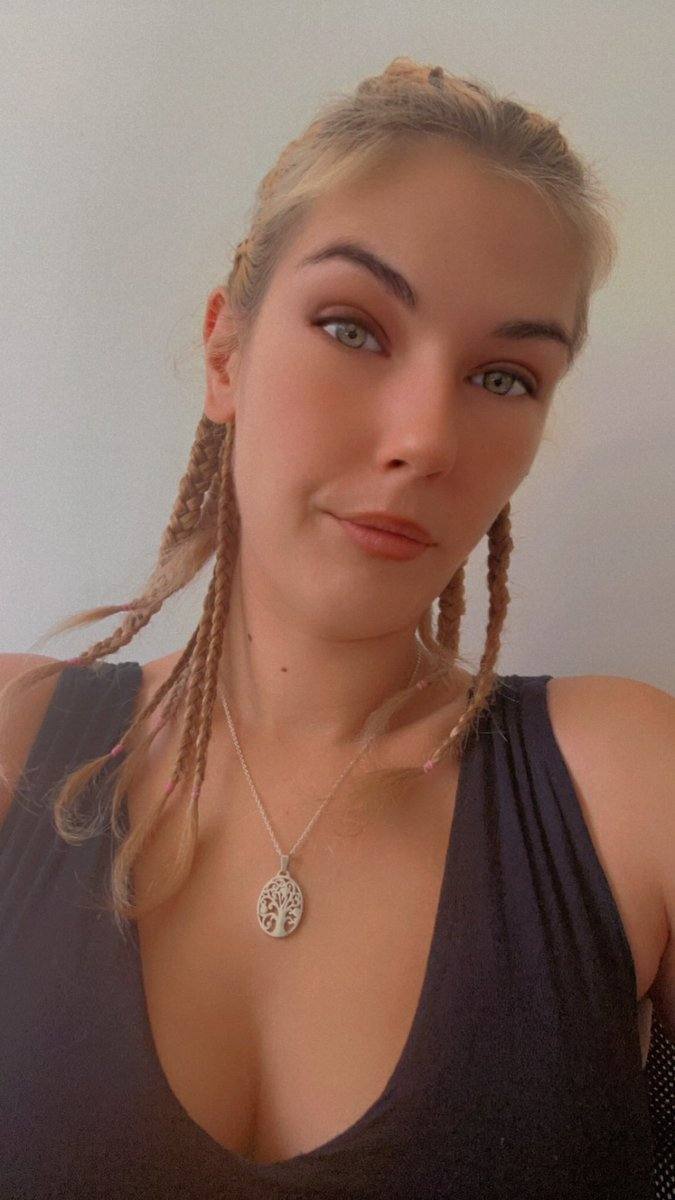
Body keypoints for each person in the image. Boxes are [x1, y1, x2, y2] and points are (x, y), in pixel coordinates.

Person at [0, 56, 672, 1199]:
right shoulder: (15, 747)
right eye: (354, 328)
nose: (425, 439)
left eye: (505, 378)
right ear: (225, 352)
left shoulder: (631, 788)